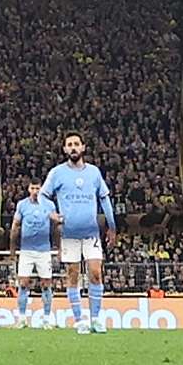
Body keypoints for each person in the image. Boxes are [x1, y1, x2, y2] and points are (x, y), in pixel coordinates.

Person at [40, 133, 117, 333]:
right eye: (69, 145)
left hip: (91, 233)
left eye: (76, 144)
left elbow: (105, 199)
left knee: (95, 273)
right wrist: (51, 214)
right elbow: (42, 196)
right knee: (73, 275)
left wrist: (112, 226)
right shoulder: (57, 173)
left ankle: (96, 319)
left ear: (83, 147)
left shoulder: (93, 172)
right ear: (65, 150)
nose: (73, 148)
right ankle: (79, 319)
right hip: (69, 234)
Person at [10, 182, 57, 328]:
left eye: (38, 188)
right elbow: (15, 226)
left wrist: (59, 247)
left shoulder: (49, 205)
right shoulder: (22, 205)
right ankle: (22, 319)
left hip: (44, 251)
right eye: (33, 188)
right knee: (23, 283)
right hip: (26, 251)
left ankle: (47, 320)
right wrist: (12, 248)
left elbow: (55, 227)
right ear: (28, 189)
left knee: (46, 284)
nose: (35, 191)